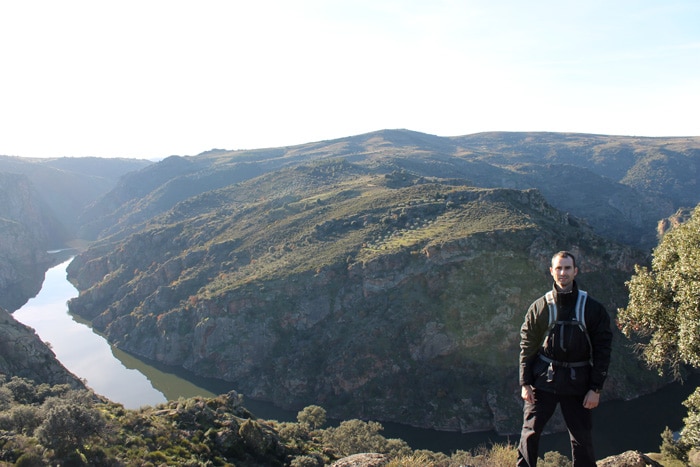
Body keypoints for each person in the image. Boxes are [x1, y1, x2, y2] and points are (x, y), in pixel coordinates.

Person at [517, 251, 612, 467]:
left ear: (575, 271)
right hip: (544, 380)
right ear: (551, 271)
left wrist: (595, 388)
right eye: (558, 268)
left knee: (582, 439)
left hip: (578, 382)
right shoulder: (540, 307)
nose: (563, 272)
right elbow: (527, 345)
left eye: (567, 268)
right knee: (530, 434)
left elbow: (603, 350)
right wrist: (525, 383)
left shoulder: (592, 308)